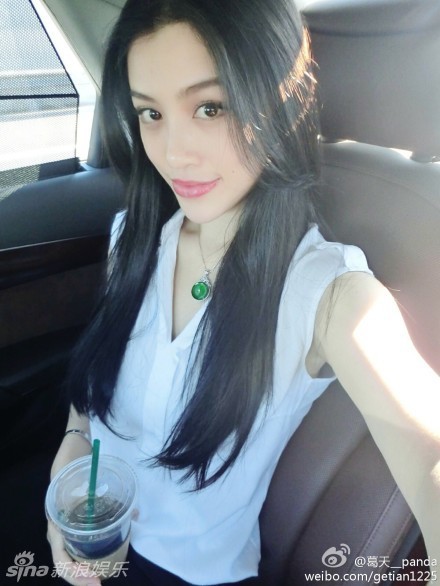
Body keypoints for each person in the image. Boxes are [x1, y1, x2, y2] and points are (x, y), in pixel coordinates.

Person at [47, 0, 440, 584]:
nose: (173, 152)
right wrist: (75, 445)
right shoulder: (131, 237)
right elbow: (96, 380)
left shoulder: (329, 295)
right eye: (151, 113)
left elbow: (431, 456)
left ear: (281, 105)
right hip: (94, 521)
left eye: (210, 107)